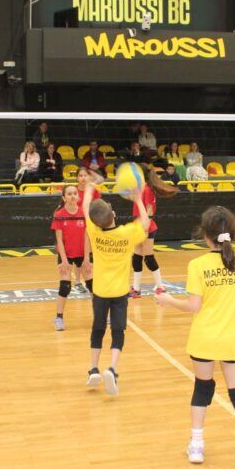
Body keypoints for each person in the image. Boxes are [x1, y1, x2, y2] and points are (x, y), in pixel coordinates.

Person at [154, 206, 235, 469]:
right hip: (231, 339)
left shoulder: (197, 265)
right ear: (233, 232)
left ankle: (196, 445)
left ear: (205, 235)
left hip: (203, 338)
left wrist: (168, 301)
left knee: (202, 388)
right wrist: (233, 320)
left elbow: (194, 306)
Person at [82, 180, 150, 396]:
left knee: (98, 329)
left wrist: (89, 187)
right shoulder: (126, 233)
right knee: (118, 331)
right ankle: (112, 368)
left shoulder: (94, 231)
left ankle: (94, 369)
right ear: (112, 214)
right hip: (119, 292)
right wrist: (138, 199)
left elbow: (85, 207)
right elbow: (146, 223)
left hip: (100, 291)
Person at [131, 165, 178, 297]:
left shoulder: (148, 189)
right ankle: (136, 289)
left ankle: (160, 287)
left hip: (146, 227)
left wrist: (145, 229)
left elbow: (150, 210)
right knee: (136, 258)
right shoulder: (140, 188)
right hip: (137, 226)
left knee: (148, 258)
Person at [51, 184, 93, 331]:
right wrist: (63, 260)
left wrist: (87, 258)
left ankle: (100, 316)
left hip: (83, 254)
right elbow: (59, 240)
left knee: (93, 286)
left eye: (75, 193)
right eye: (69, 194)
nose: (73, 196)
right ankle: (59, 318)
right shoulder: (59, 214)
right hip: (66, 254)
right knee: (65, 286)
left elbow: (87, 238)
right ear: (64, 198)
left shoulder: (84, 213)